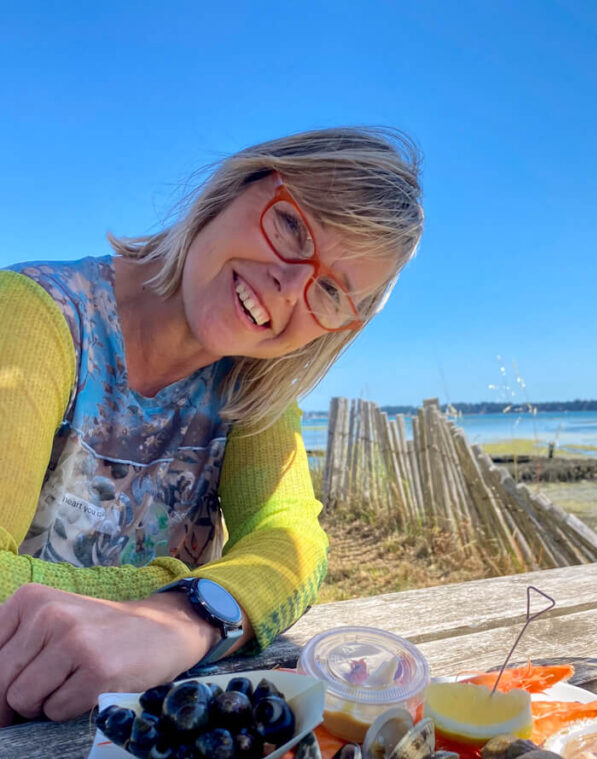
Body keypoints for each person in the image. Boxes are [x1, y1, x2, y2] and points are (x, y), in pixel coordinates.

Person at [0, 126, 423, 726]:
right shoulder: (34, 318)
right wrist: (166, 597)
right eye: (293, 226)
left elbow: (293, 542)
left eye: (330, 290)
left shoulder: (251, 386)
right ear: (236, 187)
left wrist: (188, 617)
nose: (292, 283)